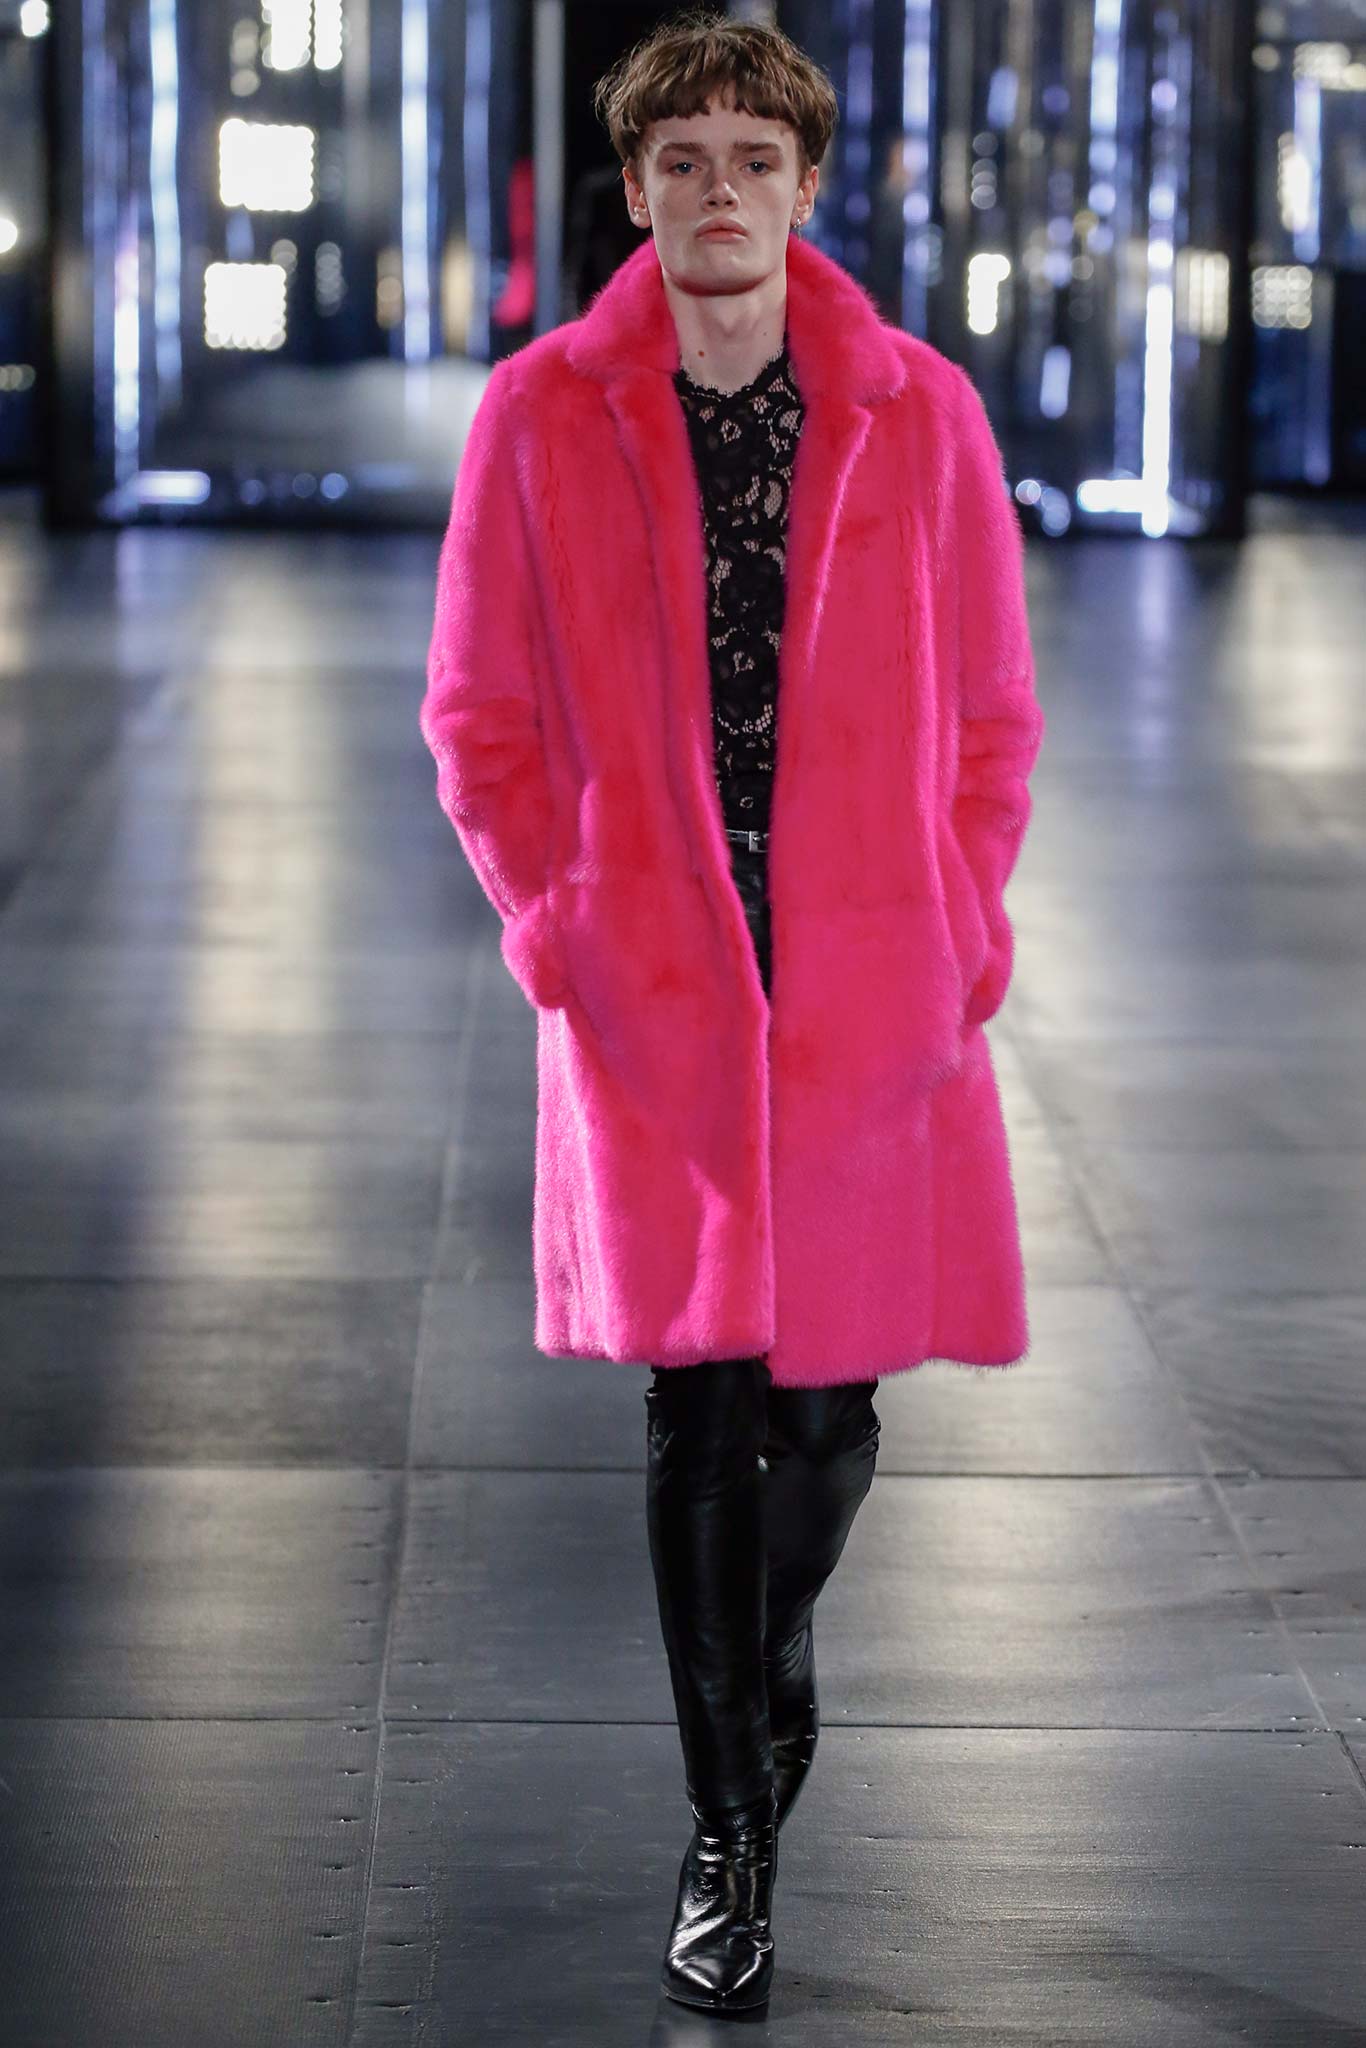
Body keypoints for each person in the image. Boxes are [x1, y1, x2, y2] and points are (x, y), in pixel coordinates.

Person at [420, 5, 1045, 2017]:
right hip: (659, 983)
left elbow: (993, 714)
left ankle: (763, 1665)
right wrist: (558, 924)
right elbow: (476, 714)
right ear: (633, 189)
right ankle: (728, 1830)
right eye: (679, 160)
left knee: (824, 1417)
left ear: (802, 186)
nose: (716, 192)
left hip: (863, 973)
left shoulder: (916, 412)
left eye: (751, 162)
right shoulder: (540, 415)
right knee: (698, 1401)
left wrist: (957, 928)